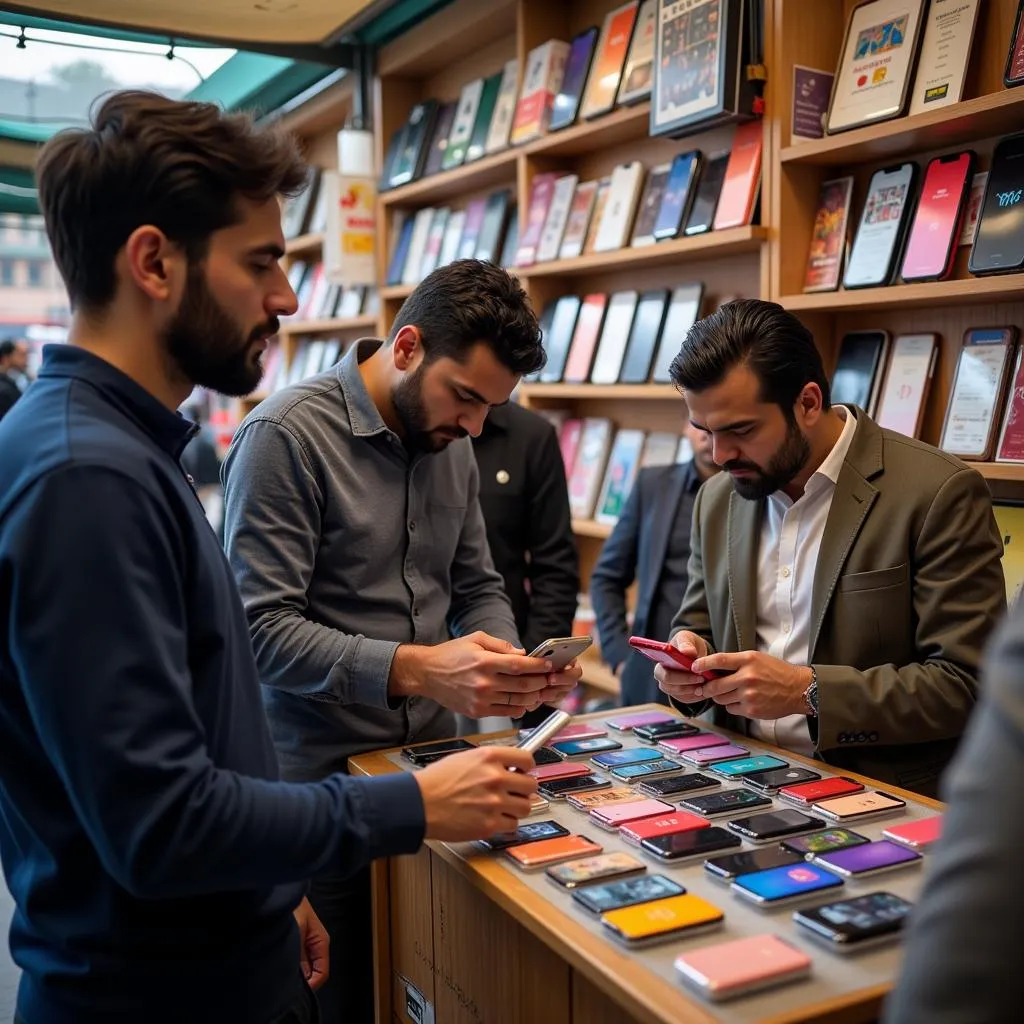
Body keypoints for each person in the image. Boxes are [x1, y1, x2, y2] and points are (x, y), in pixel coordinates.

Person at [0, 90, 540, 1024]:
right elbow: (160, 824)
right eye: (262, 264)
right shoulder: (86, 479)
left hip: (218, 945)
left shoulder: (120, 454)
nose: (288, 298)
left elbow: (204, 720)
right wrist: (405, 805)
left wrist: (271, 886)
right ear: (154, 262)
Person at [222, 258, 581, 1024]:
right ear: (409, 346)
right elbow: (256, 633)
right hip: (321, 802)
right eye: (467, 398)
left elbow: (478, 582)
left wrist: (505, 661)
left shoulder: (450, 442)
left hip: (435, 784)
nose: (478, 427)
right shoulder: (283, 437)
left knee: (437, 999)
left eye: (493, 408)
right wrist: (420, 670)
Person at [654, 299, 1005, 797]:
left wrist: (807, 692)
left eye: (741, 430)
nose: (720, 455)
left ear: (809, 403)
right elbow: (700, 624)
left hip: (879, 796)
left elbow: (967, 686)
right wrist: (687, 662)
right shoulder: (718, 497)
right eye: (705, 432)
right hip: (739, 781)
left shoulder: (938, 493)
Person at [881, 602, 1024, 1023]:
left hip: (895, 795)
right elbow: (698, 619)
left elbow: (961, 679)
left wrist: (808, 689)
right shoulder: (717, 530)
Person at [590, 421, 719, 706]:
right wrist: (619, 656)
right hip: (647, 671)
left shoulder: (754, 496)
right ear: (685, 425)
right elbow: (606, 577)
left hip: (717, 676)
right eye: (699, 423)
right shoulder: (652, 485)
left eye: (717, 425)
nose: (707, 433)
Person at [472, 399, 580, 727]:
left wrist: (535, 670)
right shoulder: (421, 434)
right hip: (417, 656)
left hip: (507, 657)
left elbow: (555, 565)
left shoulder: (532, 435)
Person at [0, 339, 28, 419]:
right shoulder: (5, 390)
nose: (26, 360)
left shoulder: (14, 381)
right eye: (21, 355)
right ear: (6, 357)